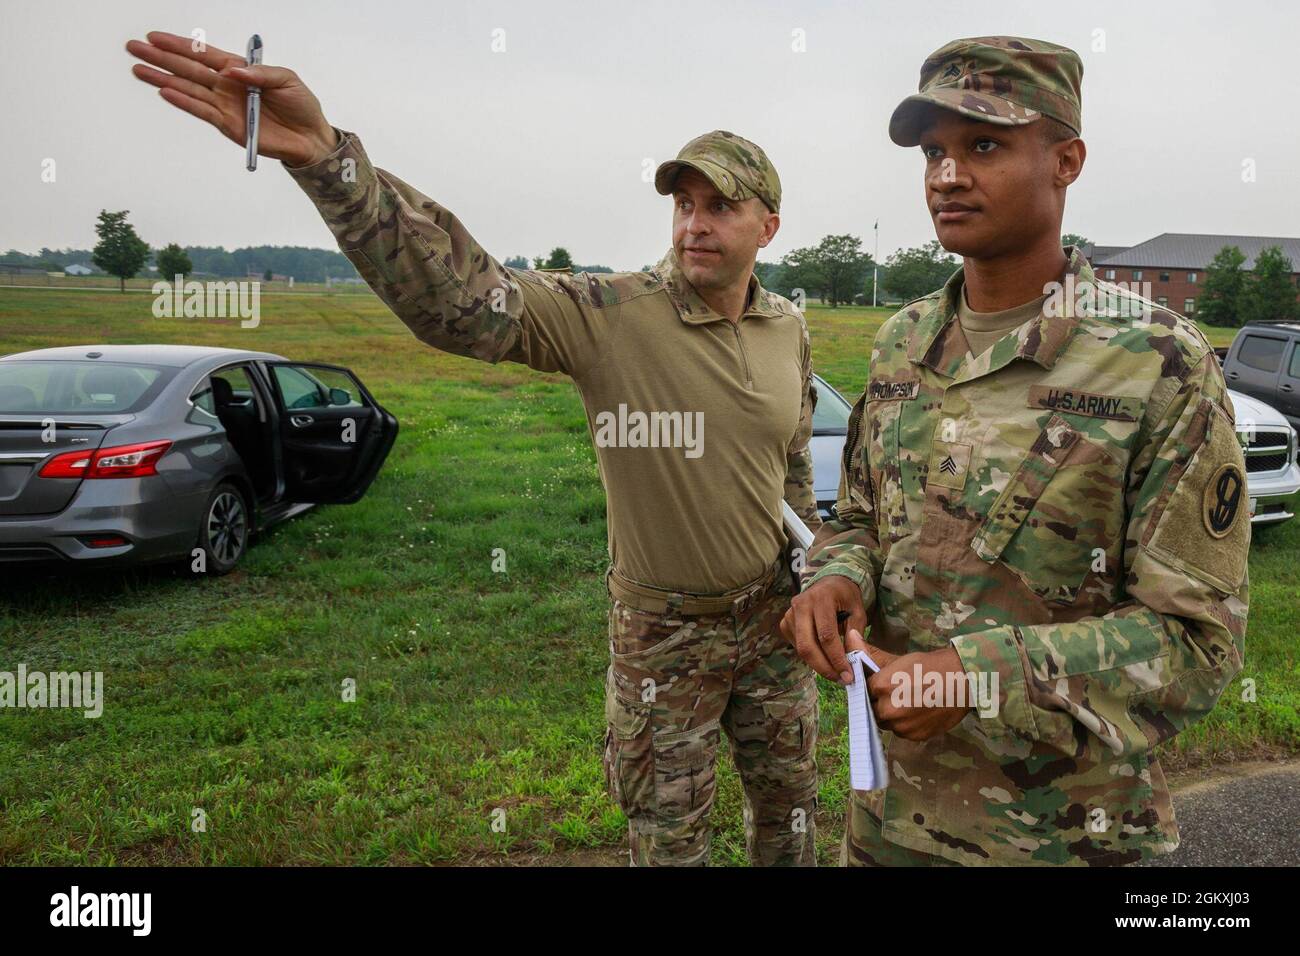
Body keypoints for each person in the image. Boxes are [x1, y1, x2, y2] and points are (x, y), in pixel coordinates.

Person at [126, 30, 822, 866]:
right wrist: (327, 160)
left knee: (790, 817)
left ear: (769, 226)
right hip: (664, 637)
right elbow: (463, 299)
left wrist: (818, 575)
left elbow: (790, 472)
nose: (694, 224)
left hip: (774, 619)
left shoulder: (787, 327)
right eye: (683, 203)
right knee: (667, 841)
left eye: (720, 206)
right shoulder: (609, 313)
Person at [781, 36, 1249, 866]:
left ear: (1066, 160)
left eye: (984, 146)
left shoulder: (1156, 360)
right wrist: (836, 575)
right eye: (934, 152)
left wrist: (976, 674)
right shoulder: (902, 343)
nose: (946, 176)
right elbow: (857, 515)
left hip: (1070, 838)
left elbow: (1197, 644)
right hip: (891, 827)